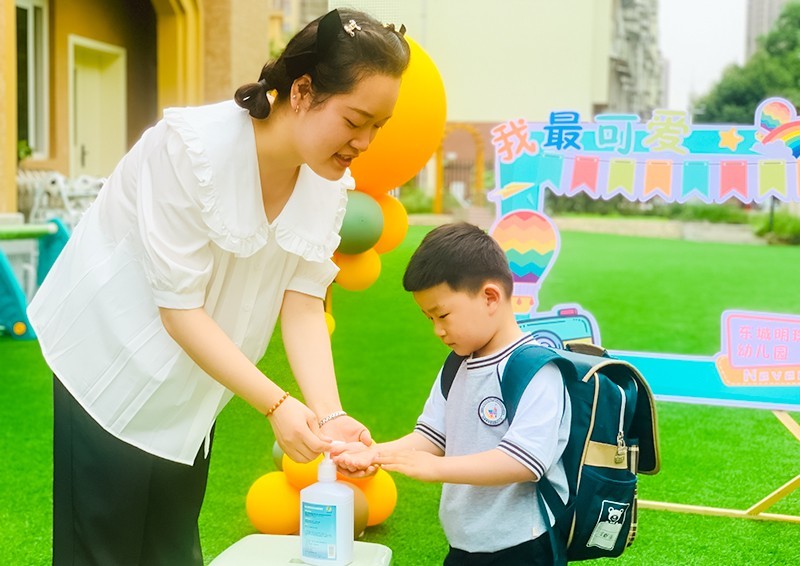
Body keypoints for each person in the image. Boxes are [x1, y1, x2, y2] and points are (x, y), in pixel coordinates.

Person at [27, 8, 410, 565]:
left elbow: (304, 304)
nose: (366, 141)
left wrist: (330, 417)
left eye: (379, 126)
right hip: (110, 363)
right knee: (102, 551)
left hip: (196, 379)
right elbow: (179, 309)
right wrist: (277, 404)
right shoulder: (190, 150)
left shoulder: (327, 183)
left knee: (171, 548)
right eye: (356, 120)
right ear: (302, 92)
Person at [333, 222, 571, 566]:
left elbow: (524, 462)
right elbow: (431, 437)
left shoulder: (537, 369)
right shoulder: (457, 364)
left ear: (490, 297)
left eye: (442, 315)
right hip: (465, 543)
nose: (437, 330)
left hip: (523, 545)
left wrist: (437, 468)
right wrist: (374, 454)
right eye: (429, 318)